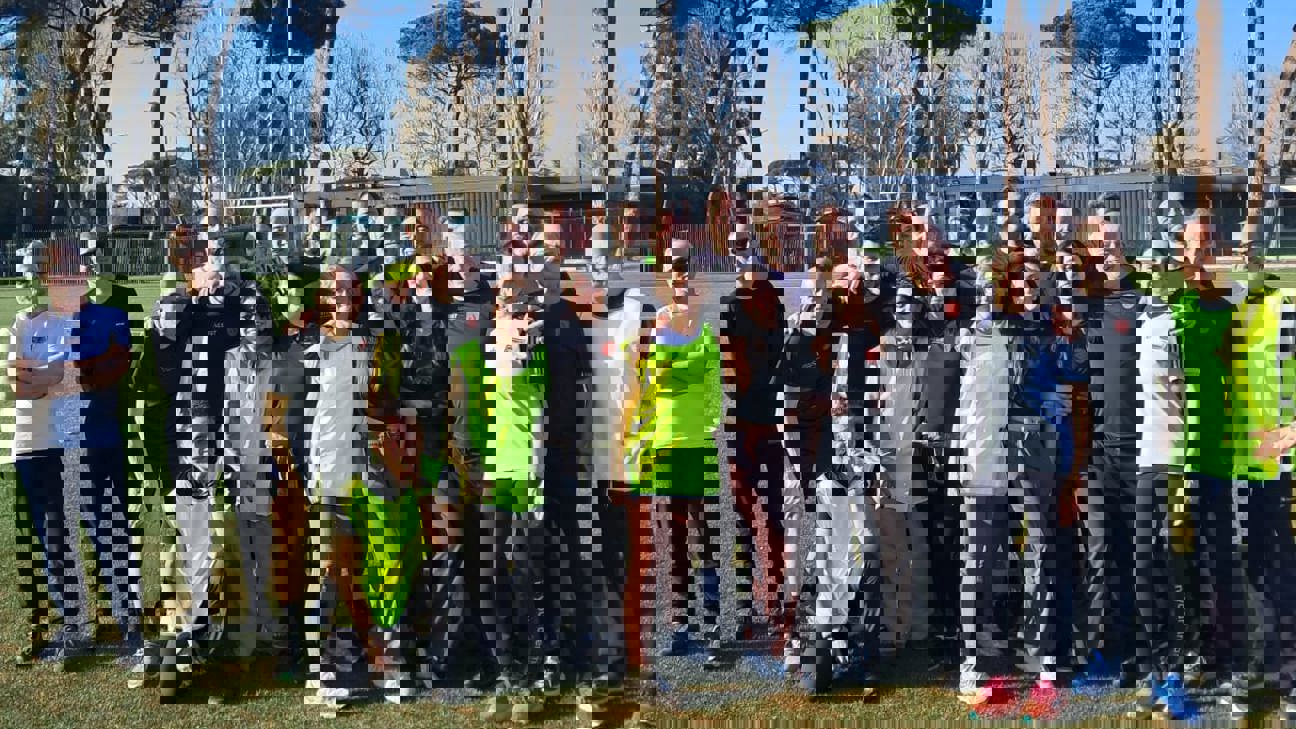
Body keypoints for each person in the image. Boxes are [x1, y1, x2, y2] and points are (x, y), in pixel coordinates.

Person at [133, 229, 274, 698]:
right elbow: (162, 370)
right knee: (187, 550)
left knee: (234, 546)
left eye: (212, 253)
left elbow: (255, 365)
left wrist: (222, 309)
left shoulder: (249, 301)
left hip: (237, 448)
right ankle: (186, 643)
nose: (207, 263)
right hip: (190, 448)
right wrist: (194, 301)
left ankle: (234, 650)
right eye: (194, 256)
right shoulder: (172, 305)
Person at [957, 231, 1088, 705]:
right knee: (982, 560)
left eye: (1034, 280)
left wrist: (1072, 336)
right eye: (1018, 279)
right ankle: (975, 661)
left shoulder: (1049, 335)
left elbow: (1077, 376)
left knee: (1041, 557)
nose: (1026, 287)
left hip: (1037, 458)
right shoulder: (976, 333)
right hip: (985, 459)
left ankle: (1042, 656)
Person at [882, 205, 977, 670]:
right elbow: (902, 335)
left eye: (933, 233)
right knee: (919, 533)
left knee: (956, 532)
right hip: (915, 431)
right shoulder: (901, 286)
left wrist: (948, 290)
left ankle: (962, 628)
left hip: (960, 429)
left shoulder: (968, 282)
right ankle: (929, 626)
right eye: (919, 236)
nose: (928, 243)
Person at [1167, 209, 1248, 702]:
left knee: (1220, 557)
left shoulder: (1230, 306)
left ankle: (1227, 656)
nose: (1202, 251)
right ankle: (1194, 648)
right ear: (1182, 249)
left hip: (1219, 453)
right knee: (1182, 559)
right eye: (1195, 242)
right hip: (1177, 455)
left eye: (1210, 242)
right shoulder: (1170, 305)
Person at [631, 239, 724, 669]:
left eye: (685, 263)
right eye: (672, 265)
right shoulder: (657, 322)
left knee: (705, 535)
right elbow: (652, 381)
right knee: (674, 539)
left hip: (697, 442)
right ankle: (682, 625)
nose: (678, 271)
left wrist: (706, 422)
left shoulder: (706, 322)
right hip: (665, 442)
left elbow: (712, 383)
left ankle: (712, 625)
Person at [1070, 200, 1140, 686]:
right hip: (1094, 458)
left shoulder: (1144, 302)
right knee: (1098, 555)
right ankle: (1101, 650)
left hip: (1138, 453)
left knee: (1138, 554)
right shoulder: (1078, 307)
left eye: (1112, 241)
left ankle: (1138, 651)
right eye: (1098, 243)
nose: (1107, 249)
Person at [719, 222, 787, 645]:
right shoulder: (729, 305)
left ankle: (775, 601)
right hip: (742, 423)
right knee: (742, 517)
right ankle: (745, 605)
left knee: (776, 514)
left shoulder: (774, 300)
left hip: (771, 423)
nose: (739, 252)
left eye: (744, 244)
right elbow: (726, 366)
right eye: (733, 246)